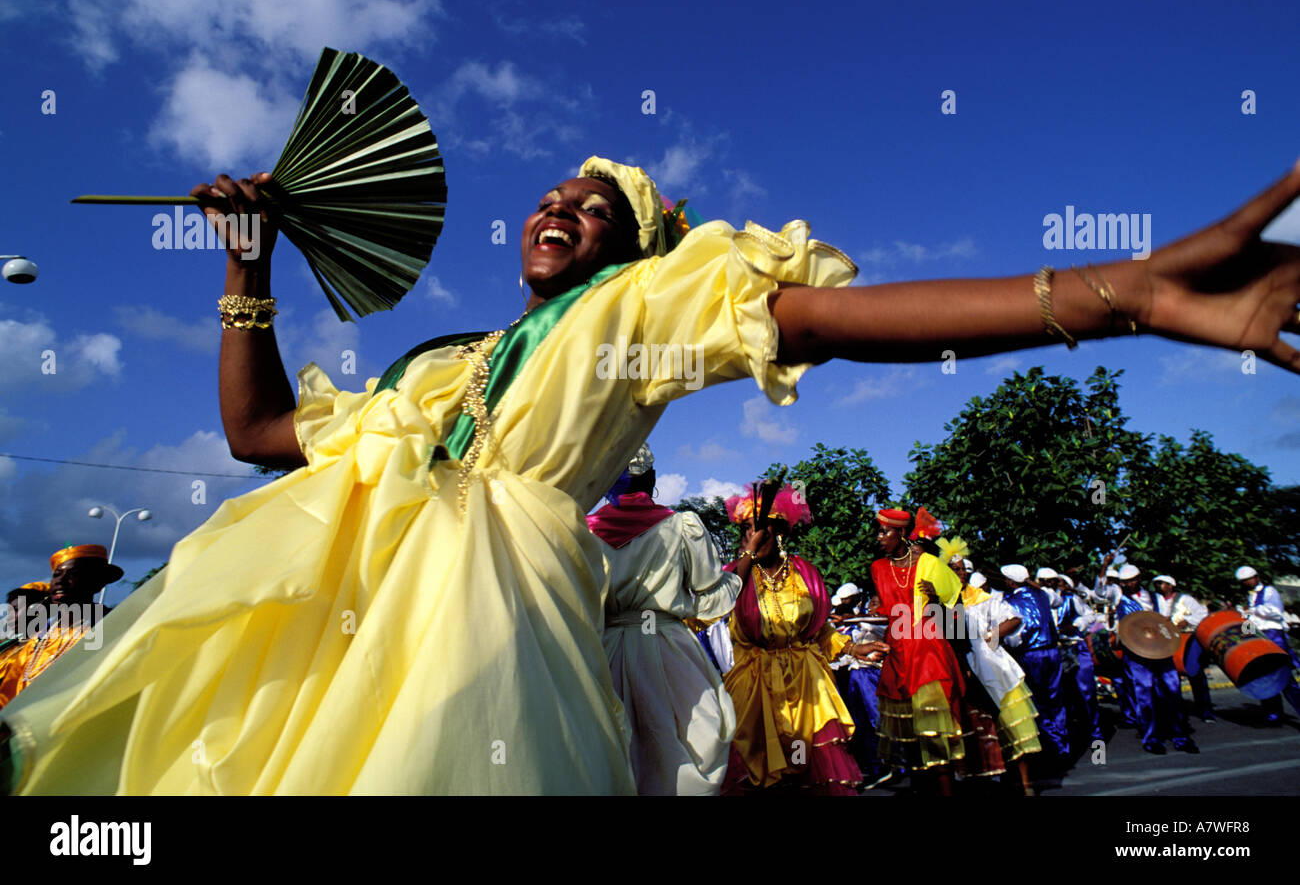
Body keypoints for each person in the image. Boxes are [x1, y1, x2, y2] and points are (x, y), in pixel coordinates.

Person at [4, 151, 1300, 795]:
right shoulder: (439, 373)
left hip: (486, 659)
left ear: (634, 248)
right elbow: (255, 436)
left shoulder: (627, 320)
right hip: (328, 656)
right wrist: (245, 264)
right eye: (551, 193)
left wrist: (1112, 292)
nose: (559, 206)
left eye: (597, 205)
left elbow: (835, 322)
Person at [586, 444, 741, 795]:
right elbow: (708, 597)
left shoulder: (586, 532)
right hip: (667, 645)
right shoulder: (681, 525)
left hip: (605, 648)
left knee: (615, 744)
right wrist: (742, 564)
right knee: (687, 739)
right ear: (652, 479)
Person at [720, 486, 874, 795]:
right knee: (760, 772)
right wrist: (748, 556)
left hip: (806, 683)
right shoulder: (736, 576)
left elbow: (820, 629)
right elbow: (713, 604)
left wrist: (854, 647)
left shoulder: (805, 573)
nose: (753, 537)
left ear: (777, 533)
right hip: (755, 688)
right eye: (747, 531)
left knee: (808, 766)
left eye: (759, 529)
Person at [871, 508, 967, 795]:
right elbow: (887, 614)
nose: (879, 538)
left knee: (935, 734)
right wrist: (849, 620)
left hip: (927, 653)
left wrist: (935, 599)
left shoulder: (930, 564)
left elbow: (955, 614)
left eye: (884, 531)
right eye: (878, 531)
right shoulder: (878, 568)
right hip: (898, 653)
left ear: (900, 533)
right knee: (909, 738)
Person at [0, 548, 118, 710]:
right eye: (57, 575)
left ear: (97, 582)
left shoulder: (110, 626)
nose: (60, 581)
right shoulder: (38, 640)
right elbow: (8, 695)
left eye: (73, 573)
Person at [958, 568, 1040, 794]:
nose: (959, 574)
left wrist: (989, 638)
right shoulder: (941, 603)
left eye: (961, 569)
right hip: (963, 669)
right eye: (953, 570)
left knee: (1012, 725)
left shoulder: (983, 599)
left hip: (992, 666)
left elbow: (1014, 619)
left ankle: (1026, 785)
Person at [1115, 565, 1198, 754]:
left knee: (1172, 690)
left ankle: (1181, 737)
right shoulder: (1118, 597)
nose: (1129, 584)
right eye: (1125, 582)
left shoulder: (1156, 598)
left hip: (1159, 649)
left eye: (1133, 580)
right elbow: (1100, 592)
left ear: (1140, 578)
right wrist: (1104, 568)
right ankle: (1151, 738)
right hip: (1136, 652)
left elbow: (1165, 621)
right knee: (1144, 694)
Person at [1001, 565, 1070, 765]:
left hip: (1031, 655)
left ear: (1012, 582)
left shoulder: (1011, 602)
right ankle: (1063, 745)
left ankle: (1052, 746)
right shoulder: (1044, 595)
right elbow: (1057, 600)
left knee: (1038, 701)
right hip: (1053, 651)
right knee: (1055, 699)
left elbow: (1019, 635)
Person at [830, 583, 888, 782]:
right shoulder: (849, 623)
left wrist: (854, 619)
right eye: (871, 603)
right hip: (855, 675)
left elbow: (873, 627)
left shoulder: (877, 622)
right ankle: (873, 766)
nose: (872, 607)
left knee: (878, 719)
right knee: (860, 722)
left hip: (872, 674)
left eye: (876, 603)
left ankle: (892, 764)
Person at [1235, 566, 1300, 722]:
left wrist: (1253, 610)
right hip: (1256, 638)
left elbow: (1276, 612)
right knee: (1263, 676)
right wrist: (1246, 635)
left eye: (1249, 580)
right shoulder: (1246, 597)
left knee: (1283, 676)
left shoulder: (1269, 591)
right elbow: (1247, 621)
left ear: (1256, 577)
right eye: (1244, 581)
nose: (1247, 583)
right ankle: (1273, 712)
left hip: (1272, 635)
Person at [1152, 574, 1213, 722]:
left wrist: (1187, 621)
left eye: (1162, 584)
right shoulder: (1155, 601)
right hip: (1167, 642)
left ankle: (1206, 711)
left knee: (1195, 674)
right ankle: (1177, 713)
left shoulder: (1184, 599)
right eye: (1157, 584)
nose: (1159, 586)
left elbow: (1202, 614)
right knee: (1170, 677)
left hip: (1187, 640)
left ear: (1170, 586)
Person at [1054, 575, 1106, 744]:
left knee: (1086, 691)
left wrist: (1075, 626)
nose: (1055, 585)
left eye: (1059, 581)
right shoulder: (1042, 600)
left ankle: (1095, 733)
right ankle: (1065, 736)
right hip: (1054, 649)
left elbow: (1091, 616)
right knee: (1060, 694)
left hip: (1075, 647)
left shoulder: (1072, 599)